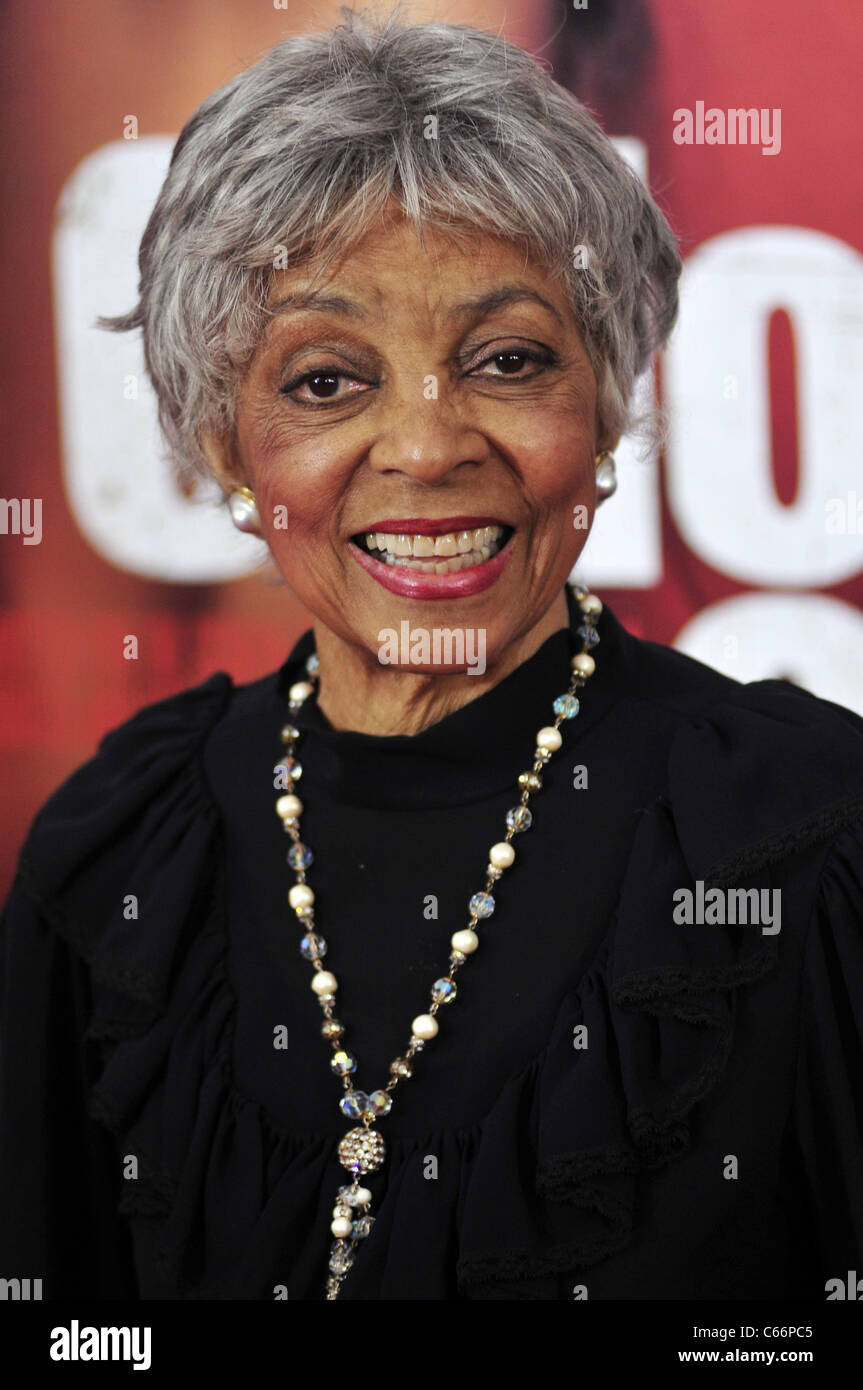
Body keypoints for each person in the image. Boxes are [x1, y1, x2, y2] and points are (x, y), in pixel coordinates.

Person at [2, 7, 862, 1302]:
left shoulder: (814, 837)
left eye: (508, 359)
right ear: (223, 442)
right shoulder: (117, 859)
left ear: (608, 395)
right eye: (327, 379)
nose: (425, 447)